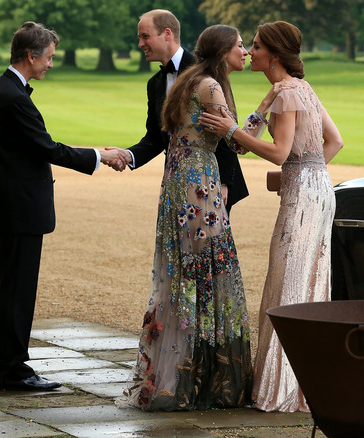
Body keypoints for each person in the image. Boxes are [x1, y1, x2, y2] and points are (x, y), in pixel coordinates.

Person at [199, 21, 344, 412]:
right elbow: (335, 141)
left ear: (274, 56)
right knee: (306, 281)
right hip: (318, 191)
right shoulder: (296, 89)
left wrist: (232, 129)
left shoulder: (287, 94)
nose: (250, 52)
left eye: (257, 46)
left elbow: (279, 151)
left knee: (289, 284)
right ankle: (303, 385)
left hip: (303, 201)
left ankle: (283, 393)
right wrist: (301, 171)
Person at [0, 21, 117, 391]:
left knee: (12, 288)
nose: (51, 64)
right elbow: (46, 147)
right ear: (31, 56)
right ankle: (12, 370)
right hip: (17, 210)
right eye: (48, 57)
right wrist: (100, 155)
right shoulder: (12, 96)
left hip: (10, 207)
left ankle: (5, 367)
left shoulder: (1, 88)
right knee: (17, 291)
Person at [119, 24, 253, 411]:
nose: (244, 52)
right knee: (206, 274)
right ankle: (205, 379)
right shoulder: (210, 85)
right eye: (240, 46)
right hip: (198, 188)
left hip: (178, 185)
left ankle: (177, 374)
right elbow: (238, 142)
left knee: (184, 274)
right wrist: (264, 112)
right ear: (224, 50)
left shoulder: (189, 79)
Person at [105, 9, 248, 211]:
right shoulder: (154, 84)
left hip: (212, 179)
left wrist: (223, 182)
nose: (140, 44)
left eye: (145, 36)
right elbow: (156, 137)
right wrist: (128, 155)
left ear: (167, 34)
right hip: (176, 178)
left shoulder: (206, 71)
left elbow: (225, 126)